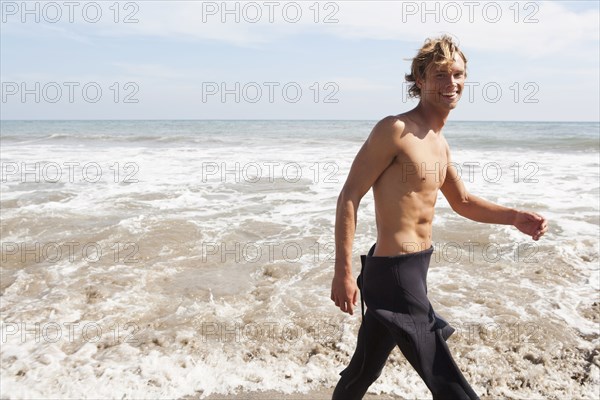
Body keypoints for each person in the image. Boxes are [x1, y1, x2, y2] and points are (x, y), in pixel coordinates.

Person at [330, 35, 548, 400]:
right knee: (452, 387)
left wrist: (514, 217)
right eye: (440, 76)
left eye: (458, 75)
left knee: (362, 371)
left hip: (412, 269)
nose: (451, 85)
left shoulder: (439, 142)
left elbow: (461, 201)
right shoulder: (395, 130)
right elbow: (349, 195)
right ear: (420, 80)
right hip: (395, 275)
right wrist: (343, 272)